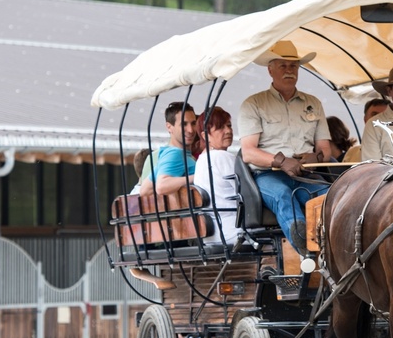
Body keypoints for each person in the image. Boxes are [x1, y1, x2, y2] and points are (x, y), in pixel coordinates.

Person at [238, 40, 332, 253]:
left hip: (305, 174)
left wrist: (316, 158)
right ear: (270, 70)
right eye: (283, 66)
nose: (289, 71)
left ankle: (334, 249)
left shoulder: (314, 103)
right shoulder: (254, 104)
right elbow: (248, 152)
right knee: (283, 195)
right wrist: (281, 161)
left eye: (294, 66)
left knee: (328, 196)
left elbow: (325, 148)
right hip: (268, 175)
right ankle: (305, 248)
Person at [193, 107, 242, 245]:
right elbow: (249, 194)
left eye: (229, 125)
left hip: (210, 234)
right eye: (220, 127)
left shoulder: (202, 159)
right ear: (205, 135)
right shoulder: (223, 156)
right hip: (233, 231)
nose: (228, 131)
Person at [138, 102, 198, 197]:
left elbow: (144, 190)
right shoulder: (175, 153)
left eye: (193, 123)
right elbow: (161, 186)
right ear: (169, 127)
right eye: (184, 124)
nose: (191, 130)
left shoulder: (169, 153)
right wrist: (198, 177)